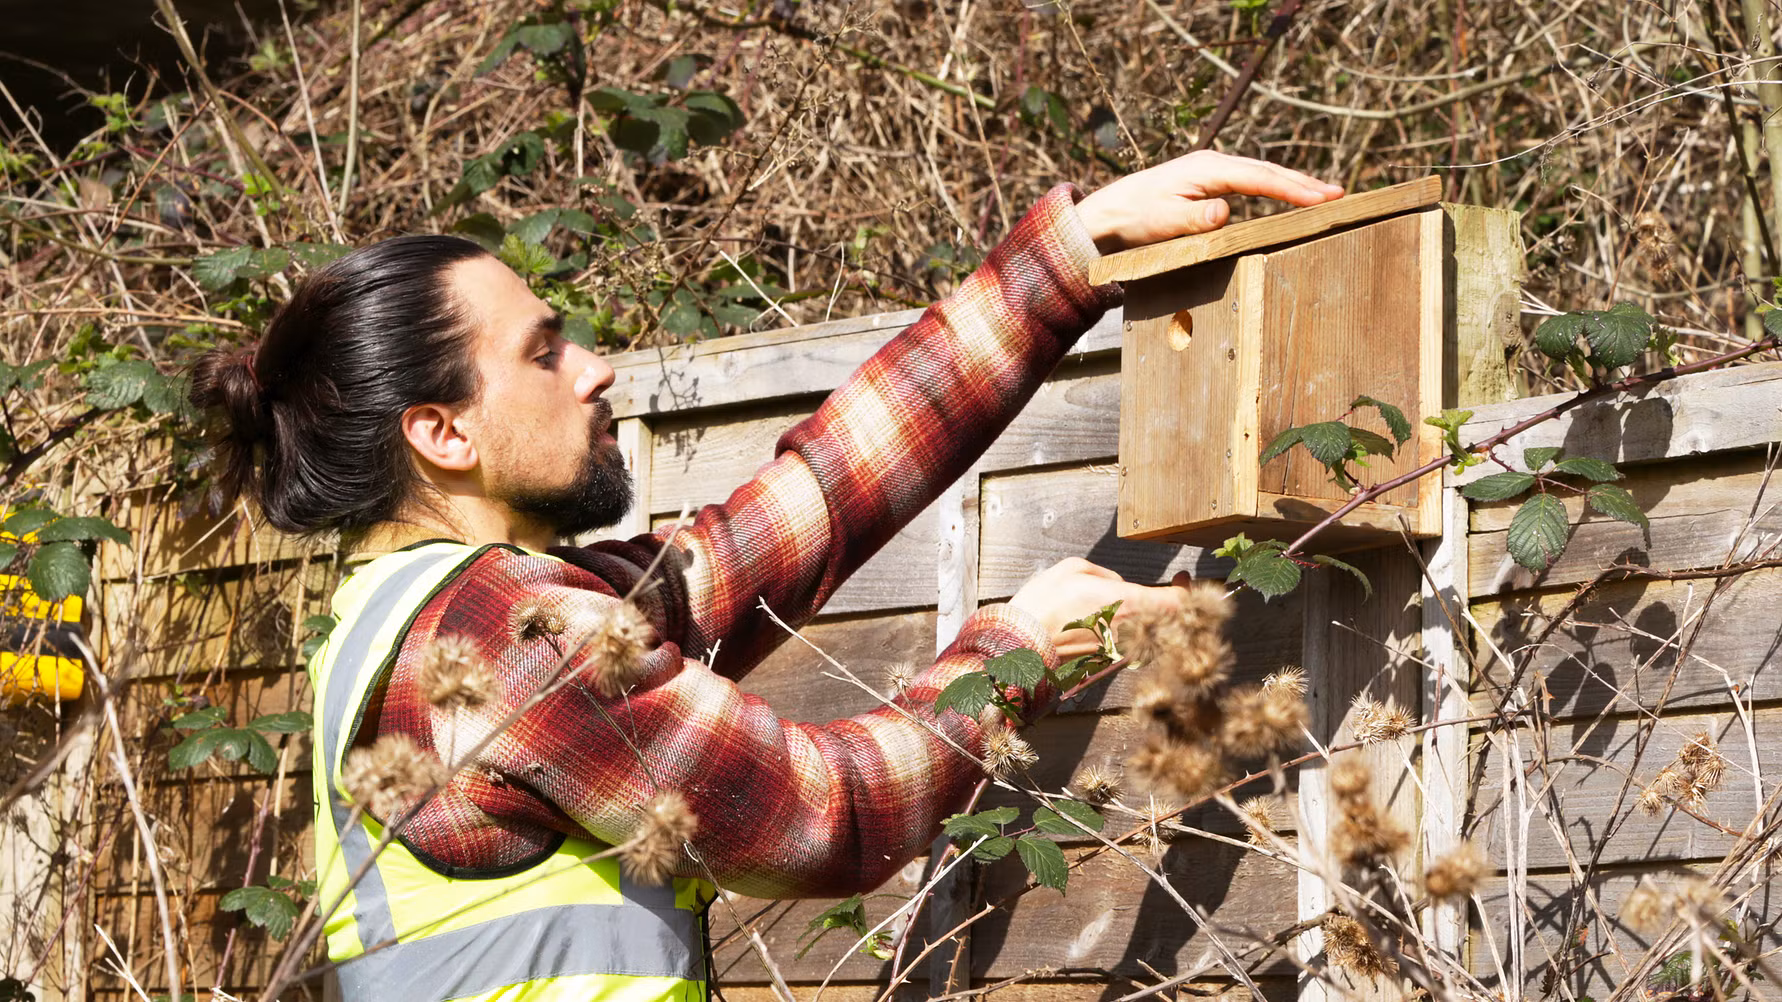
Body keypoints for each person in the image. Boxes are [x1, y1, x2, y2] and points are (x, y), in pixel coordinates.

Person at [190, 150, 1342, 1002]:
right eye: (544, 351)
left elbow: (815, 500)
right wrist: (1021, 644)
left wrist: (1070, 254)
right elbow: (817, 818)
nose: (595, 368)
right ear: (441, 433)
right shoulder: (509, 634)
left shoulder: (421, 608)